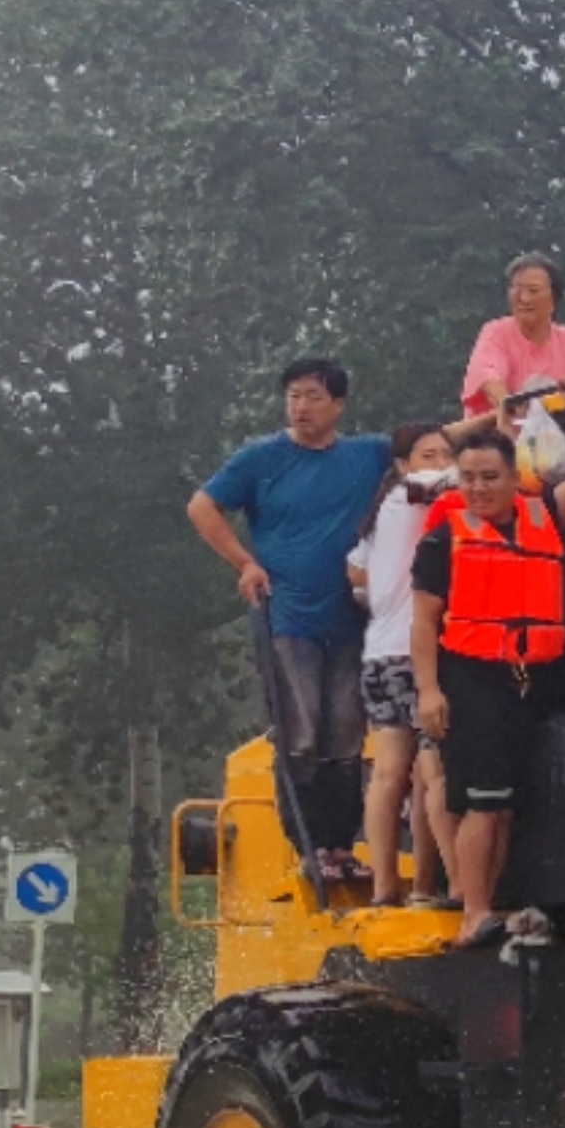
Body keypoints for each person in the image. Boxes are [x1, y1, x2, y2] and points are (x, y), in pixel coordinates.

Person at [188, 356, 397, 886]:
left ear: (338, 404)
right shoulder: (262, 458)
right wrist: (245, 562)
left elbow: (432, 444)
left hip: (351, 616)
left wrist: (505, 413)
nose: (301, 407)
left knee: (347, 735)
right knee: (301, 732)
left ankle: (341, 846)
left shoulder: (366, 454)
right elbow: (202, 507)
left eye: (313, 397)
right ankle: (307, 846)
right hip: (288, 616)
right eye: (294, 396)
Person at [410, 427, 565, 948]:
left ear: (515, 478)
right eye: (467, 478)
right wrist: (428, 692)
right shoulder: (444, 537)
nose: (477, 488)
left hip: (529, 677)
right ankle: (474, 910)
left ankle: (494, 901)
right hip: (471, 675)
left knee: (507, 803)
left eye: (489, 477)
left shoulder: (543, 519)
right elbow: (424, 623)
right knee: (483, 799)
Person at [351, 423, 459, 907]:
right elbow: (473, 476)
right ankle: (458, 885)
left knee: (391, 771)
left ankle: (388, 885)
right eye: (428, 453)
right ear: (401, 464)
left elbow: (354, 571)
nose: (439, 461)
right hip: (416, 654)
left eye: (443, 453)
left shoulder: (383, 512)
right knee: (435, 772)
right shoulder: (414, 494)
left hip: (377, 653)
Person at [462, 252, 565, 419]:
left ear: (553, 300)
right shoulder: (496, 332)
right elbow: (487, 375)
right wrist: (511, 406)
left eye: (533, 290)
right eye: (517, 289)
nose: (524, 298)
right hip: (500, 436)